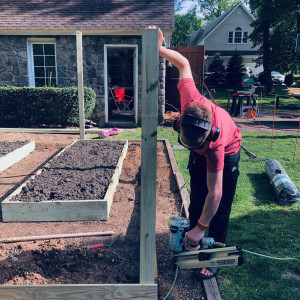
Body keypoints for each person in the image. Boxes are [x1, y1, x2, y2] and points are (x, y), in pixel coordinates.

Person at [148, 26, 242, 279]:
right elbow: (183, 63)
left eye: (196, 147)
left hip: (229, 150)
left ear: (206, 139)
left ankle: (216, 256)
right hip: (203, 143)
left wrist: (202, 228)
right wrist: (159, 49)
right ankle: (194, 244)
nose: (193, 150)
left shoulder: (215, 146)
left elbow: (217, 192)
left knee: (219, 208)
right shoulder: (190, 100)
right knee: (197, 197)